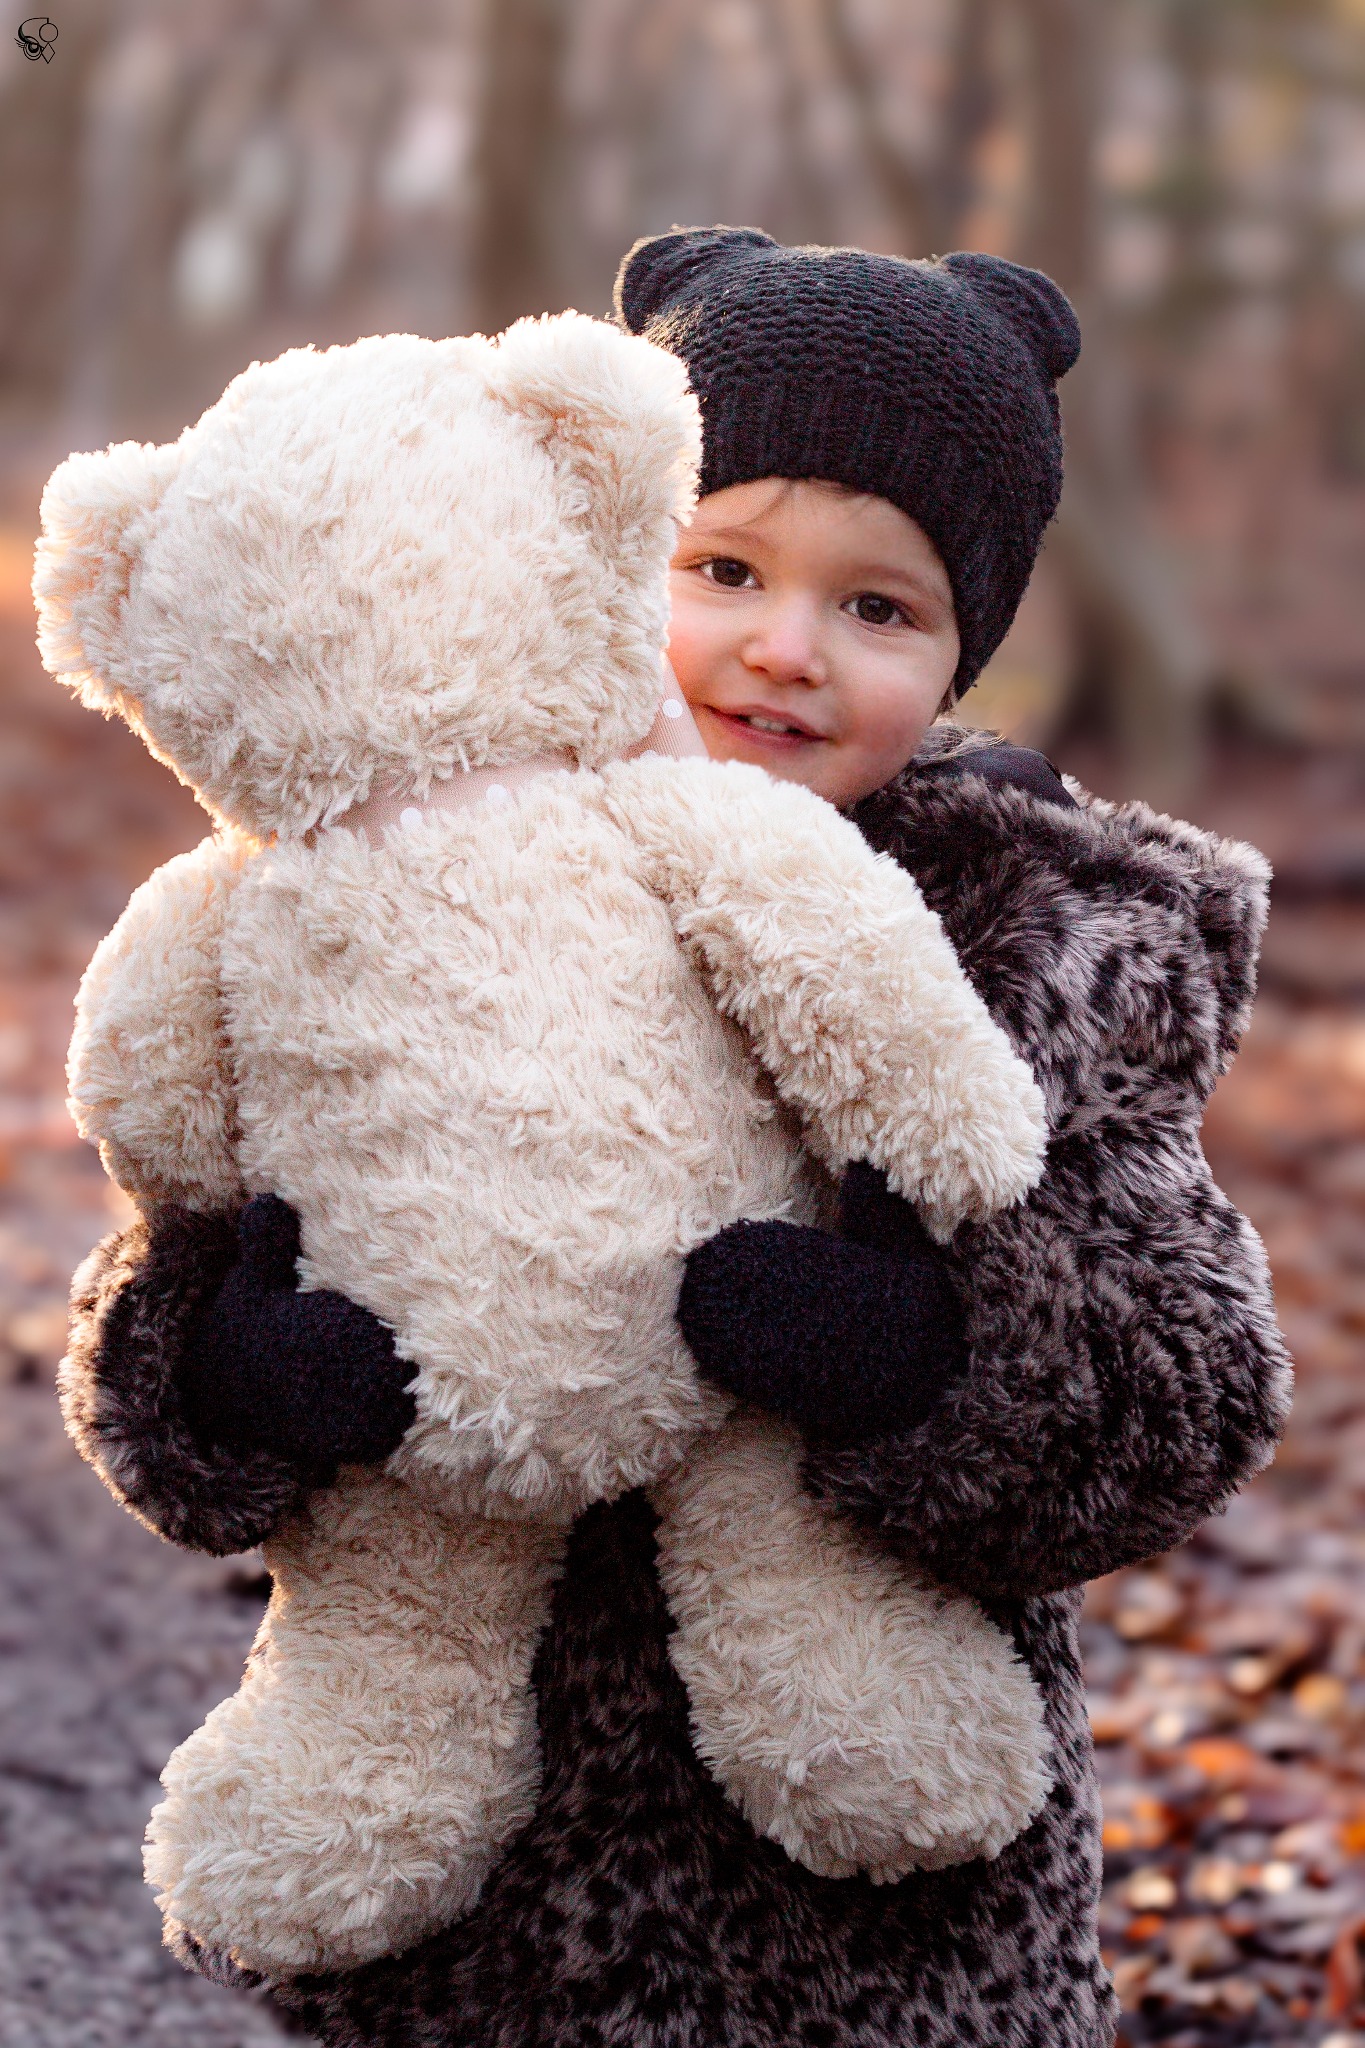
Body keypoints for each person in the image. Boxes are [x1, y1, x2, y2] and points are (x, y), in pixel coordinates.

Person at [60, 229, 1290, 2048]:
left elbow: (1184, 1380)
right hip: (481, 1887)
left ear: (962, 658)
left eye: (881, 610)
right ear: (595, 540)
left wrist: (924, 1362)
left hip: (874, 1923)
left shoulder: (1045, 940)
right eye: (718, 566)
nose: (784, 651)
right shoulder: (359, 887)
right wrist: (224, 1371)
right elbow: (152, 1277)